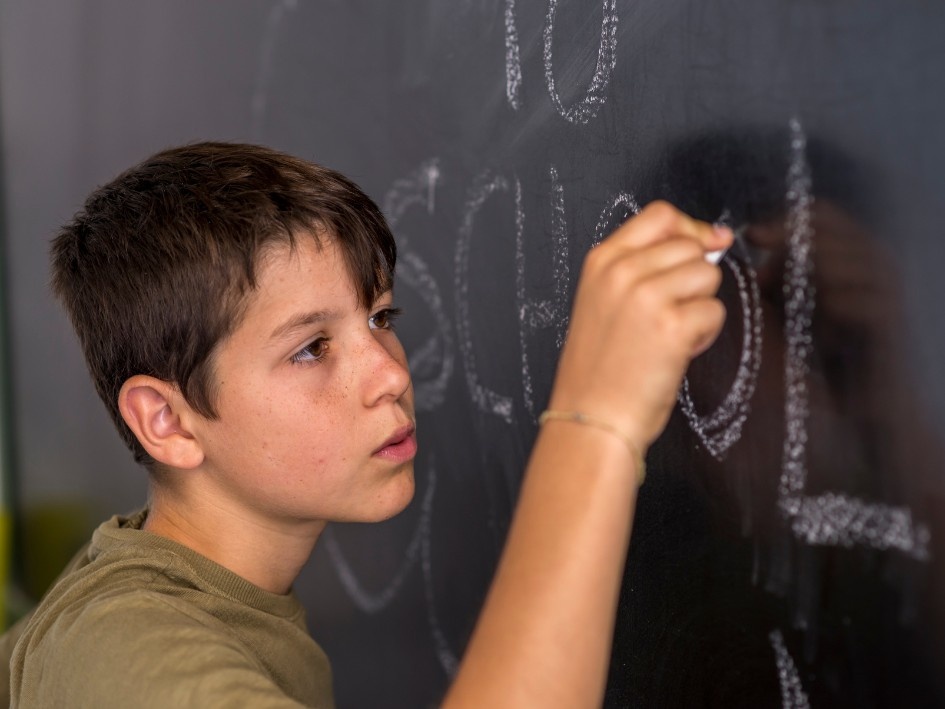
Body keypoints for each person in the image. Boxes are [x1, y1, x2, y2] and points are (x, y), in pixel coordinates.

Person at [0, 142, 730, 707]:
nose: (390, 374)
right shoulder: (131, 653)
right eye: (311, 349)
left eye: (381, 317)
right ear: (167, 421)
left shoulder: (160, 595)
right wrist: (595, 421)